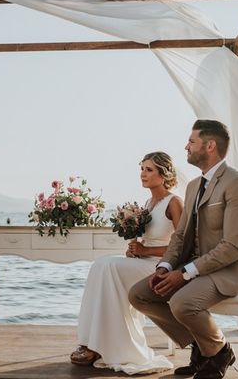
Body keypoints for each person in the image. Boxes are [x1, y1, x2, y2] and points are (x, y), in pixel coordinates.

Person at [129, 120, 238, 379]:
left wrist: (184, 274)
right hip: (197, 264)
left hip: (232, 268)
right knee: (139, 294)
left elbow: (233, 247)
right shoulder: (194, 186)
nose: (186, 146)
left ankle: (219, 351)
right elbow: (181, 236)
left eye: (191, 141)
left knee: (182, 303)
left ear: (210, 146)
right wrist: (165, 267)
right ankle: (204, 347)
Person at [70, 151, 183, 374]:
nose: (143, 174)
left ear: (163, 174)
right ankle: (92, 342)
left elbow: (182, 245)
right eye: (142, 168)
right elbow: (145, 240)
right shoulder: (148, 203)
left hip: (161, 265)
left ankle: (102, 345)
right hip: (144, 261)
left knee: (108, 266)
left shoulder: (174, 202)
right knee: (100, 266)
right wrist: (135, 249)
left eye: (149, 169)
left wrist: (147, 250)